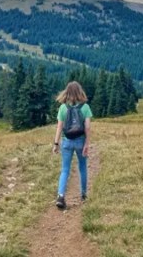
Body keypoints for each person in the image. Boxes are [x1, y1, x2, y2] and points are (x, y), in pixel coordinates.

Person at [52, 81, 93, 210]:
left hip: (67, 141)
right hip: (80, 141)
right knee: (82, 167)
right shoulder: (85, 107)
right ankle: (84, 194)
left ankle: (61, 196)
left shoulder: (63, 108)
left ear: (67, 92)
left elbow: (59, 127)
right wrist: (87, 143)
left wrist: (56, 143)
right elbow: (87, 128)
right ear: (80, 91)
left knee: (65, 169)